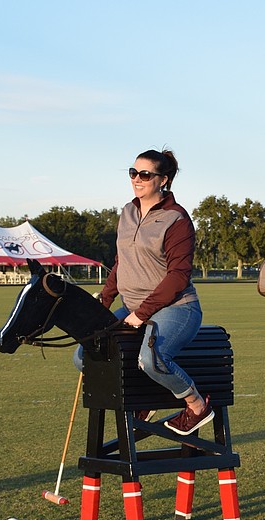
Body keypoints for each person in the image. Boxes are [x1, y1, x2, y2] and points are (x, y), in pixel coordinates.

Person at [73, 148, 214, 434]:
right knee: (83, 355)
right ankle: (146, 399)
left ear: (163, 180)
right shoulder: (127, 212)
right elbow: (121, 263)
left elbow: (178, 276)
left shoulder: (177, 219)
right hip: (131, 307)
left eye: (145, 174)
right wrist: (104, 301)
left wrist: (142, 314)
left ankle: (197, 406)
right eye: (133, 173)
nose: (137, 179)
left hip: (177, 308)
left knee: (153, 358)